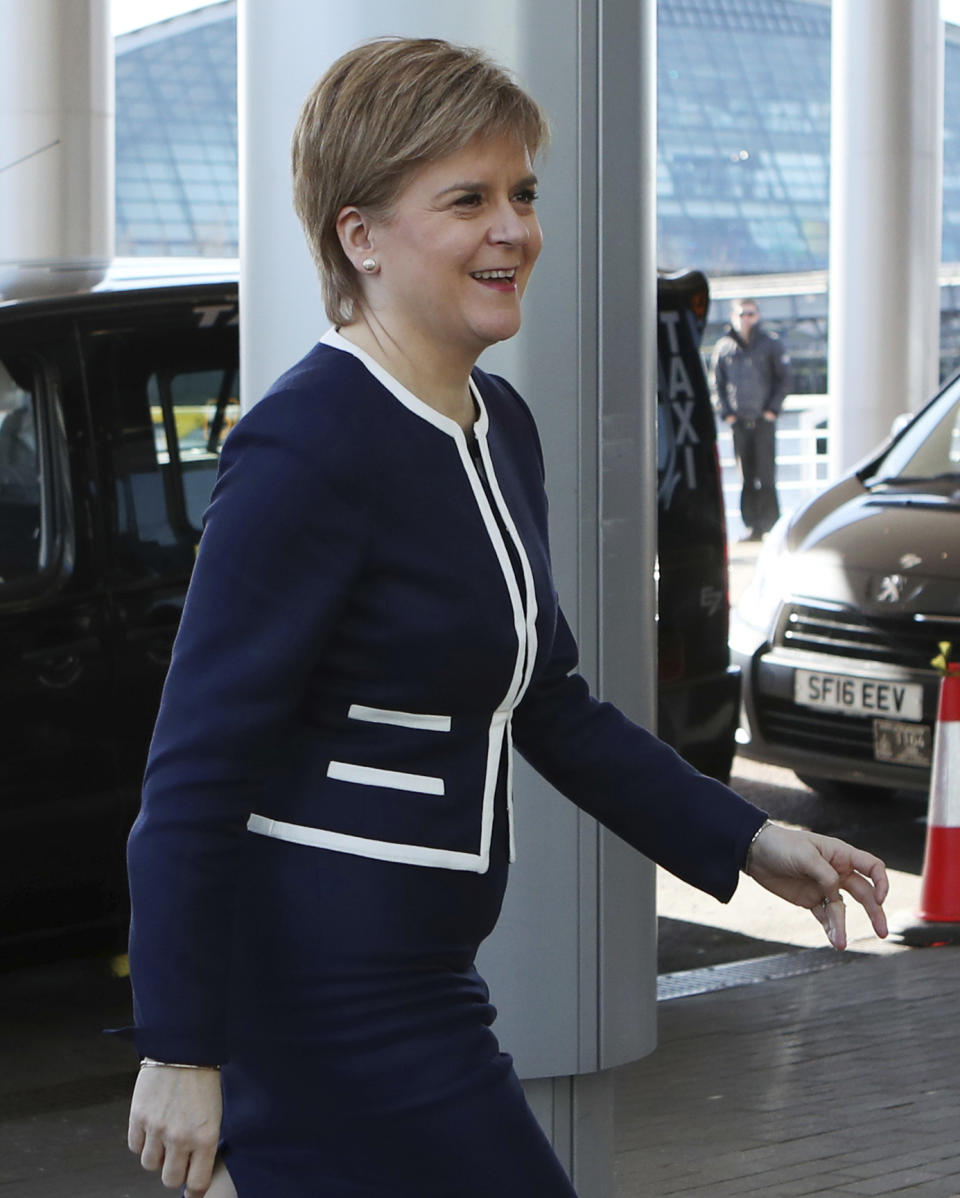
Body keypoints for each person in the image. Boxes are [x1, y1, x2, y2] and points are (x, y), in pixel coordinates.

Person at [122, 38, 888, 1198]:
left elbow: (550, 704)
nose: (514, 228)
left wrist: (747, 839)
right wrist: (180, 1046)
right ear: (359, 236)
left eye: (521, 192)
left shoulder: (499, 425)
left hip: (421, 973)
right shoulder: (308, 443)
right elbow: (194, 766)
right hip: (321, 992)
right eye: (467, 198)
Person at [712, 298, 793, 541]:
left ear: (757, 316)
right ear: (733, 317)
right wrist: (726, 412)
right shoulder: (724, 347)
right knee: (745, 476)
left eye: (750, 314)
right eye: (741, 314)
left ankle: (771, 526)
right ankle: (752, 527)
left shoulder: (770, 345)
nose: (746, 319)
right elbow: (716, 384)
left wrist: (772, 409)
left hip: (763, 420)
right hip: (739, 422)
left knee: (766, 475)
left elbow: (785, 379)